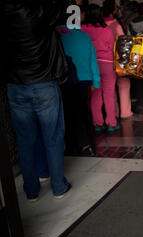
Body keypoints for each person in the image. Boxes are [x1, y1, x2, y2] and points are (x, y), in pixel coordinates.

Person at [1, 0, 72, 201]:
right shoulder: (40, 10)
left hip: (15, 84)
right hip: (43, 84)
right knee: (53, 138)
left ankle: (31, 191)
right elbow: (66, 7)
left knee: (24, 141)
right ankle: (58, 186)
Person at [57, 16, 100, 156]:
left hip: (64, 79)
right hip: (84, 79)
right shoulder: (84, 36)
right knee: (80, 111)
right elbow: (92, 59)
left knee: (68, 113)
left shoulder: (57, 34)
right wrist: (96, 81)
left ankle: (76, 145)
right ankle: (86, 144)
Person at [82, 4, 120, 133]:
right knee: (109, 94)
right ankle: (111, 123)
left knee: (95, 94)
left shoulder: (82, 29)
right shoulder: (106, 30)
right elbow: (112, 47)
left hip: (91, 64)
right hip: (107, 63)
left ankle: (98, 123)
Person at [103, 0, 133, 119]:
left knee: (110, 90)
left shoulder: (99, 24)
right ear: (113, 10)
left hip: (104, 61)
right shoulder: (116, 24)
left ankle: (113, 113)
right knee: (124, 85)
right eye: (116, 8)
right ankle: (125, 113)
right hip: (117, 60)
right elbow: (123, 43)